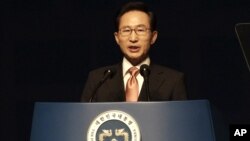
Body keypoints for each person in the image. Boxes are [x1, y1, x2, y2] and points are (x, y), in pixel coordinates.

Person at [81, 1, 187, 102]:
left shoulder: (173, 81)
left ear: (153, 37)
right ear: (117, 37)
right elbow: (84, 119)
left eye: (140, 30)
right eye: (126, 30)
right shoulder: (98, 79)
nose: (133, 38)